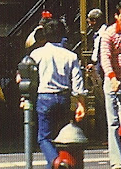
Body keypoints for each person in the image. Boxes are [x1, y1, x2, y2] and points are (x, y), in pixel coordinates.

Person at [30, 18, 86, 169]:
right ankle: (60, 162)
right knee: (62, 137)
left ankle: (56, 161)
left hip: (45, 97)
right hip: (63, 97)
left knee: (44, 138)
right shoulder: (71, 56)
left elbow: (25, 73)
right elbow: (77, 81)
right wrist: (81, 103)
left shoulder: (37, 54)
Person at [101, 0, 121, 169]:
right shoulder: (109, 34)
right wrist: (113, 78)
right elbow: (105, 58)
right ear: (116, 16)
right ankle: (117, 161)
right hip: (114, 80)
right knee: (113, 122)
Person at [86, 8, 107, 141]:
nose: (89, 24)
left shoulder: (105, 34)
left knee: (102, 102)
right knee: (99, 101)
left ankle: (103, 134)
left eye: (91, 21)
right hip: (97, 68)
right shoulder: (97, 34)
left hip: (102, 71)